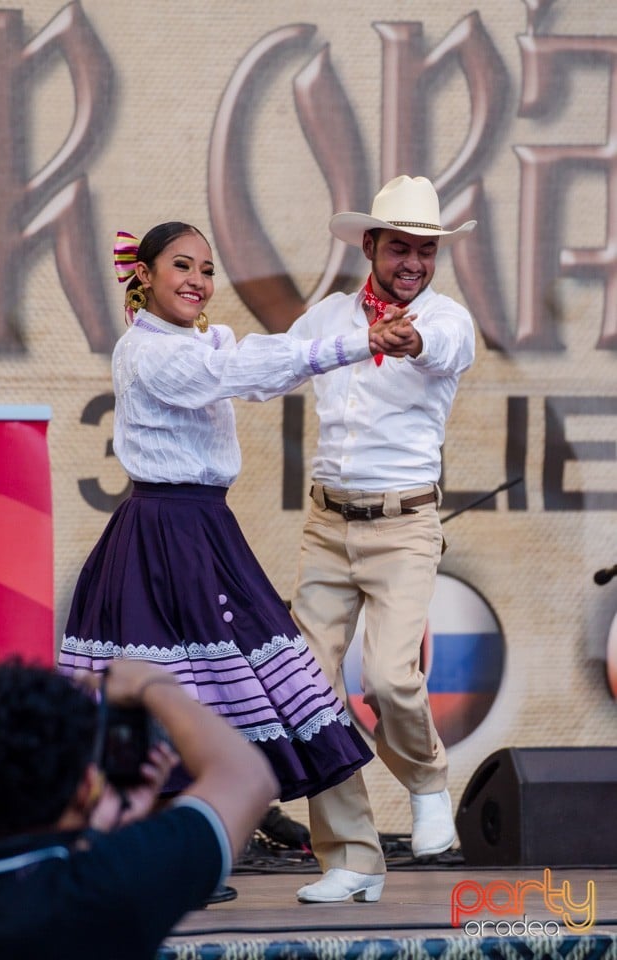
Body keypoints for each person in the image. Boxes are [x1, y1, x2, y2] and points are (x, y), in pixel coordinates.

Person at [58, 220, 414, 804]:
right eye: (182, 265)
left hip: (202, 528)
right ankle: (169, 837)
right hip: (164, 532)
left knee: (217, 678)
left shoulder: (204, 342)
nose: (198, 279)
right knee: (181, 679)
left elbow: (253, 359)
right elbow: (237, 374)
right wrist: (362, 342)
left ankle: (195, 835)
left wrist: (356, 339)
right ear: (143, 275)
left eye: (207, 269)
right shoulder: (146, 350)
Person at [288, 175, 477, 904]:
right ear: (369, 246)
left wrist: (410, 335)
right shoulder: (328, 318)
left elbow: (443, 348)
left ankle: (428, 785)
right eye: (401, 248)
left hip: (404, 526)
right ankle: (353, 855)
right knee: (308, 689)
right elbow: (273, 365)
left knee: (392, 677)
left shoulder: (445, 318)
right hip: (328, 524)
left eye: (426, 251)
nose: (414, 264)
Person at [0, 656, 278, 960]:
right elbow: (247, 778)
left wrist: (96, 835)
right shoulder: (102, 889)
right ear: (86, 788)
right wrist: (152, 684)